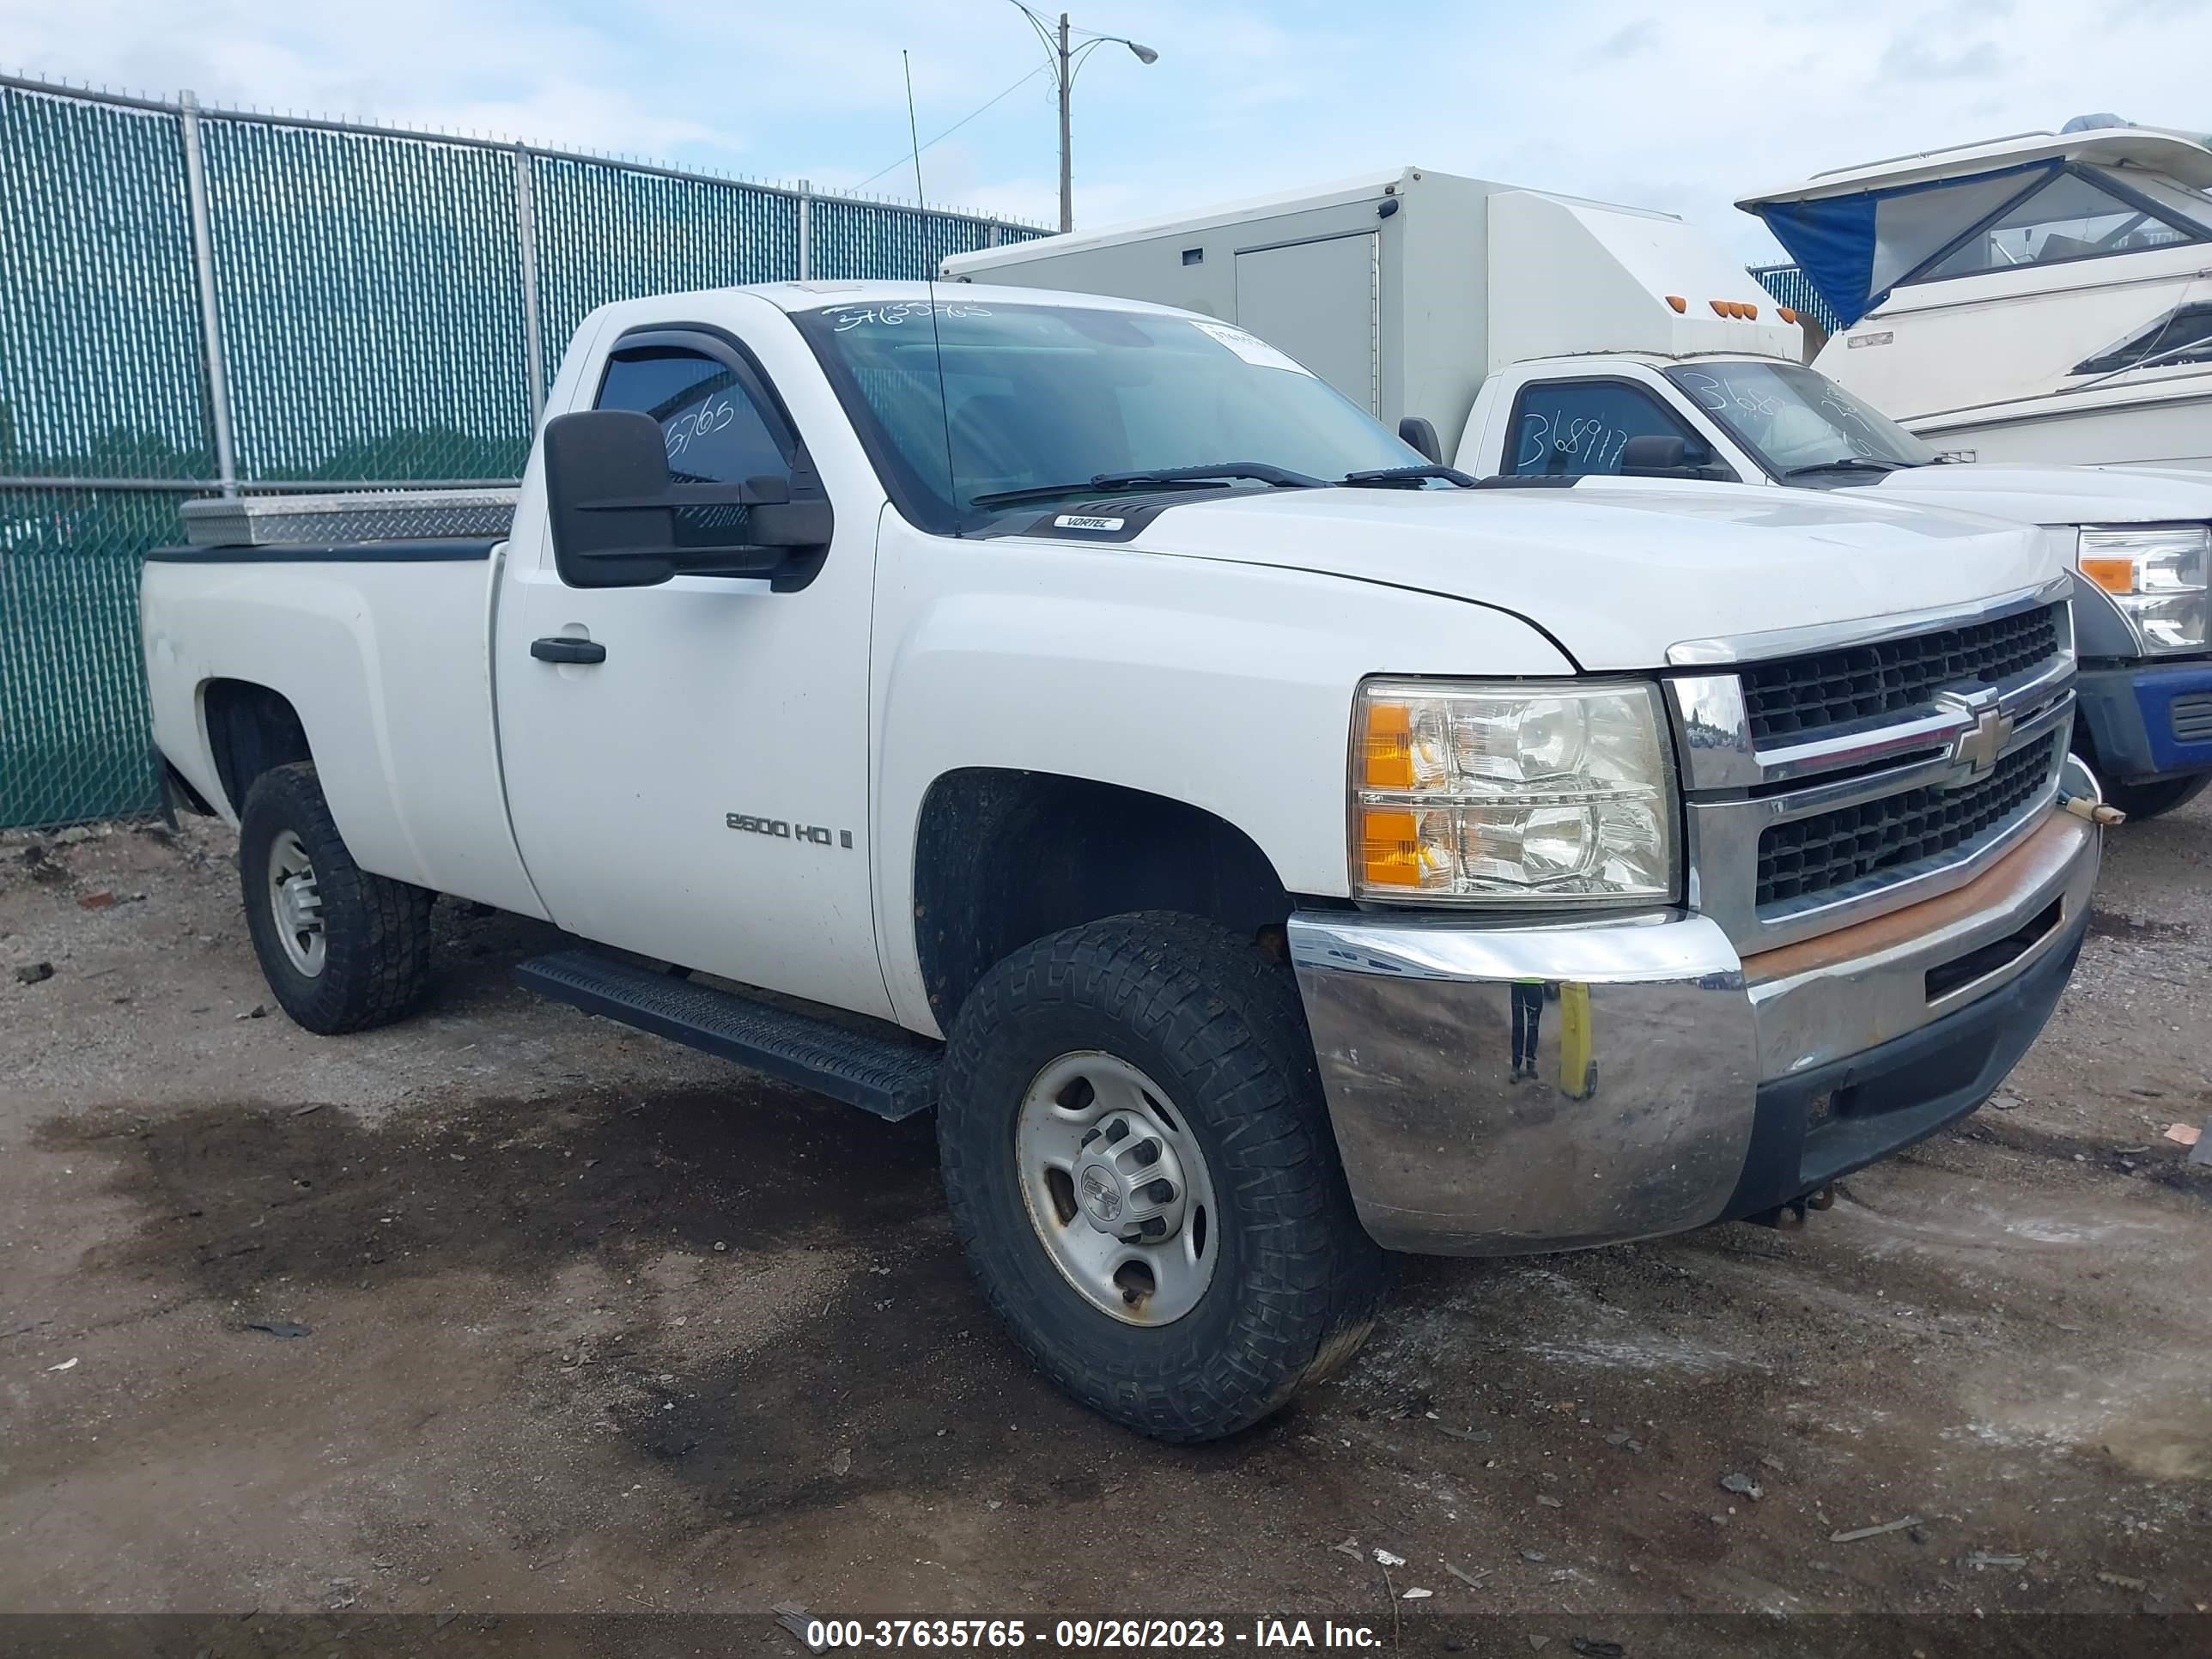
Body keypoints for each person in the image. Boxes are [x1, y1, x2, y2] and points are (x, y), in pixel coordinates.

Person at [1510, 980, 1545, 1083]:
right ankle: (1516, 1066)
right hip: (1517, 981)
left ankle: (1530, 1063)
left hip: (1535, 981)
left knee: (1533, 1025)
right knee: (1518, 1025)